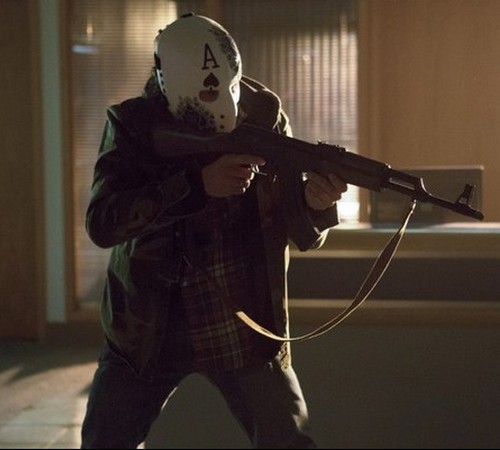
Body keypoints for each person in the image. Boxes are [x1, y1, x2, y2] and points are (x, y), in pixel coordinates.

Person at [81, 13, 347, 449]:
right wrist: (194, 185)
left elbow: (297, 228)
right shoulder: (134, 126)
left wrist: (315, 205)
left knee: (288, 440)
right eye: (206, 92)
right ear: (168, 83)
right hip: (148, 326)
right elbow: (103, 222)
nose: (224, 101)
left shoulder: (264, 117)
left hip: (241, 321)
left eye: (229, 86)